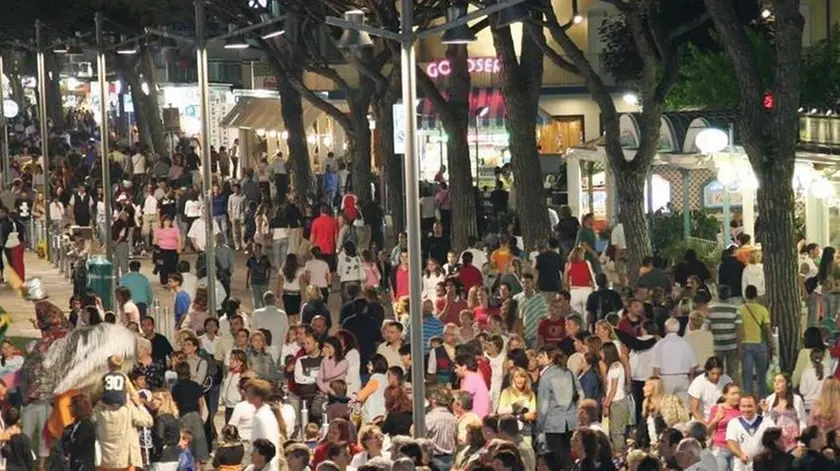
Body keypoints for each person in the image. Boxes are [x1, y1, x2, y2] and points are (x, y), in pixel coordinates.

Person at [537, 345, 580, 471]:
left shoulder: (546, 377)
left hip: (553, 422)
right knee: (568, 454)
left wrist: (540, 424)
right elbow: (580, 393)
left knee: (556, 459)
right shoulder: (569, 373)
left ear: (550, 359)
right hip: (571, 422)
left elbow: (543, 404)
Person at [651, 318, 698, 402]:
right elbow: (693, 366)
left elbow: (656, 368)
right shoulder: (686, 343)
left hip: (666, 379)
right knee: (683, 408)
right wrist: (690, 380)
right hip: (683, 378)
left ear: (665, 328)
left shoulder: (660, 344)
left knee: (666, 407)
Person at [171, 362, 209, 464]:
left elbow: (174, 404)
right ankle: (200, 462)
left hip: (183, 415)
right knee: (199, 440)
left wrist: (176, 417)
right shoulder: (195, 385)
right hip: (195, 414)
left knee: (186, 441)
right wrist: (200, 415)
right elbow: (201, 402)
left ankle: (187, 462)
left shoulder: (176, 388)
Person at [726, 395, 775, 471]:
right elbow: (730, 442)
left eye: (749, 406)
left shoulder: (766, 421)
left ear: (756, 406)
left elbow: (775, 439)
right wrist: (740, 455)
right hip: (741, 466)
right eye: (743, 406)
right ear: (739, 407)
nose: (746, 409)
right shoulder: (734, 422)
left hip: (762, 466)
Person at [740, 285, 774, 397]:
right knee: (762, 374)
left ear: (745, 295)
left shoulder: (740, 310)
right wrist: (772, 344)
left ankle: (747, 397)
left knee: (747, 374)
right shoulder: (762, 310)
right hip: (760, 344)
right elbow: (767, 329)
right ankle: (762, 398)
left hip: (745, 344)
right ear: (756, 295)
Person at [707, 383, 742, 471]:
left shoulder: (742, 409)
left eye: (738, 393)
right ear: (725, 395)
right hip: (720, 449)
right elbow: (707, 431)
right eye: (733, 393)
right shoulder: (716, 409)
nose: (737, 396)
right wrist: (716, 418)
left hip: (737, 449)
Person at [688, 357, 733, 421]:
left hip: (722, 419)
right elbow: (694, 410)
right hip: (702, 420)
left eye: (718, 374)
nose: (716, 377)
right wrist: (705, 426)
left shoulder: (727, 380)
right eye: (713, 373)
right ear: (707, 371)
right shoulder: (698, 382)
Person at [424, 386, 458, 471]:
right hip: (450, 461)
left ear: (434, 400)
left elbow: (416, 433)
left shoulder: (429, 418)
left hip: (434, 461)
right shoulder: (453, 418)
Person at [60, 394, 96, 471]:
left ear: (79, 408)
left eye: (71, 406)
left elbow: (74, 446)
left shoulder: (86, 426)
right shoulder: (74, 425)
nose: (69, 409)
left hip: (83, 466)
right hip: (74, 465)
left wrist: (67, 442)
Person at [246, 244, 273, 310]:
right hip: (254, 282)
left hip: (263, 281)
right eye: (254, 248)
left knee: (264, 300)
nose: (256, 250)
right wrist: (247, 281)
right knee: (256, 300)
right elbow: (248, 270)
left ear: (260, 249)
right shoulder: (251, 259)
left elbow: (269, 269)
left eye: (257, 248)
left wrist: (268, 279)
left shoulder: (265, 258)